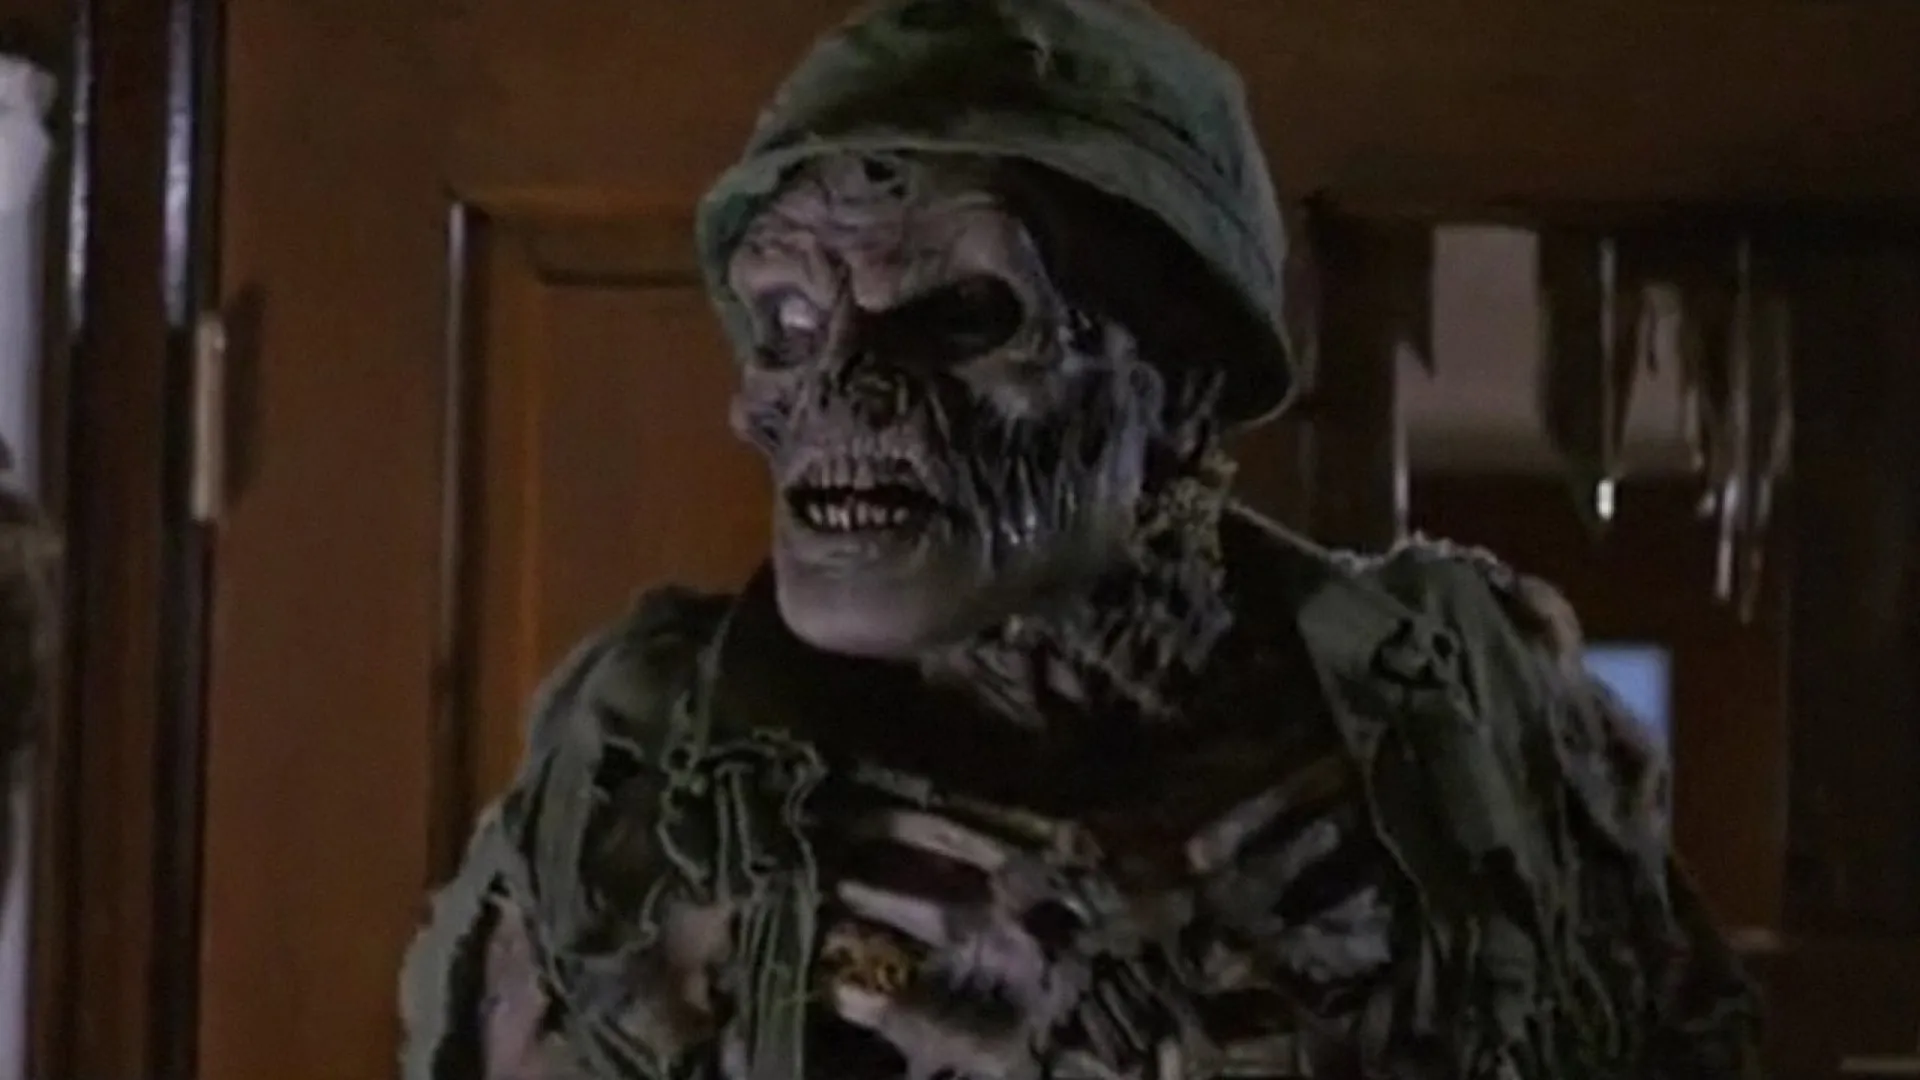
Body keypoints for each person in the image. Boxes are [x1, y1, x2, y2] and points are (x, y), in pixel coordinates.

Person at [400, 1, 1763, 1077]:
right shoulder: (647, 771)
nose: (845, 396)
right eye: (791, 326)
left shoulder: (1476, 722)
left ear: (1183, 382)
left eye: (964, 316)